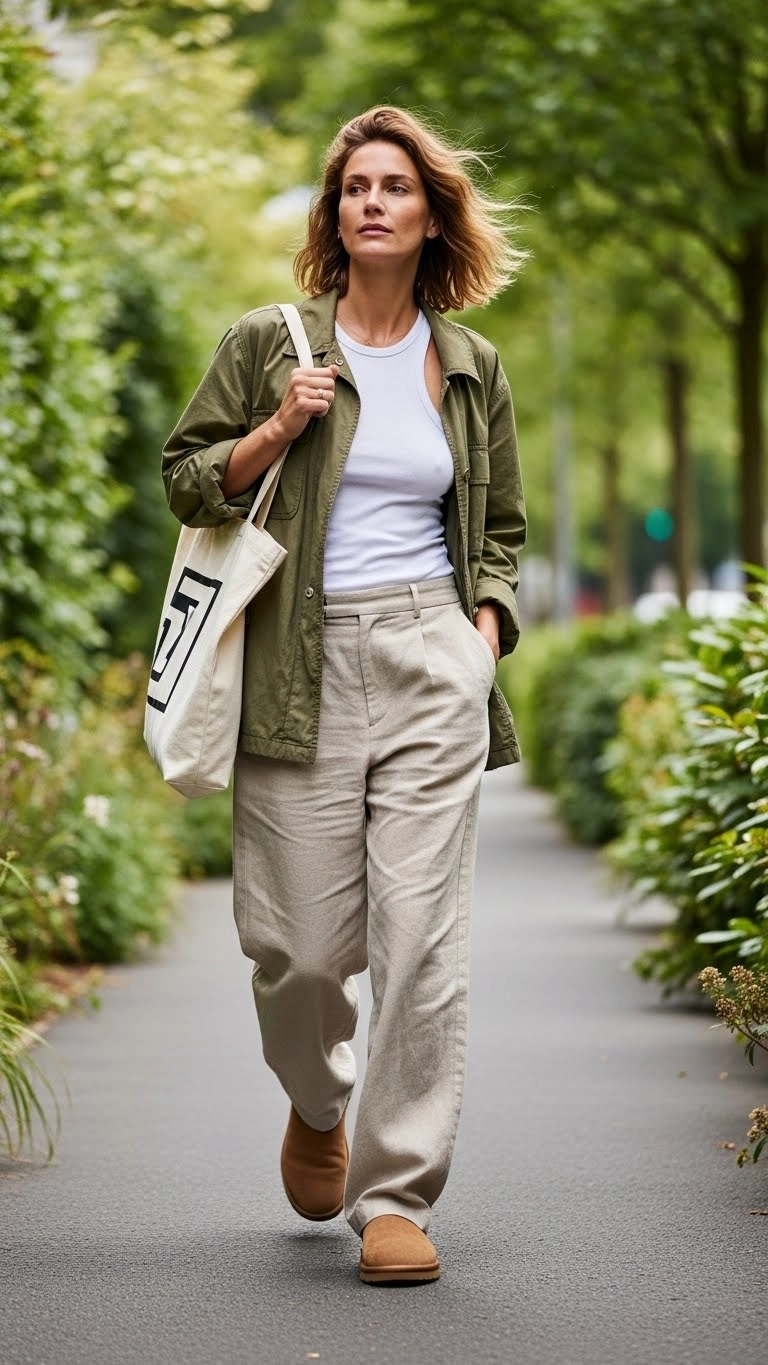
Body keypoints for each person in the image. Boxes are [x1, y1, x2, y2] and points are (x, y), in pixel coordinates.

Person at [162, 106, 526, 1285]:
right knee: (301, 950)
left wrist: (480, 634)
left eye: (396, 187)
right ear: (336, 216)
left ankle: (395, 1193)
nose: (374, 201)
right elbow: (186, 480)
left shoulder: (470, 367)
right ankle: (318, 1101)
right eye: (355, 187)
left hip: (430, 654)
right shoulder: (270, 344)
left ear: (430, 217)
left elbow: (503, 533)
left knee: (425, 946)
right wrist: (277, 426)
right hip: (295, 662)